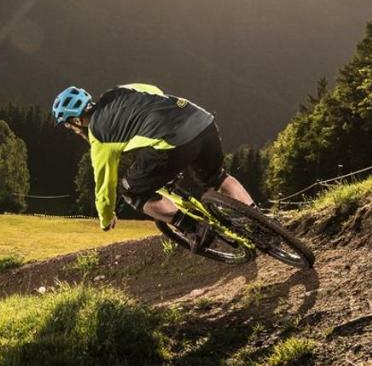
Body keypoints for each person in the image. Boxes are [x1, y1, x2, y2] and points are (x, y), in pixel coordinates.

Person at [52, 84, 255, 250]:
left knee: (132, 192)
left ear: (76, 120)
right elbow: (154, 90)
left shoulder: (99, 137)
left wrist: (105, 218)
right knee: (217, 177)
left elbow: (105, 187)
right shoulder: (117, 91)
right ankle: (260, 220)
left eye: (68, 125)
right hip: (201, 119)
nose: (70, 129)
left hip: (174, 141)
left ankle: (194, 228)